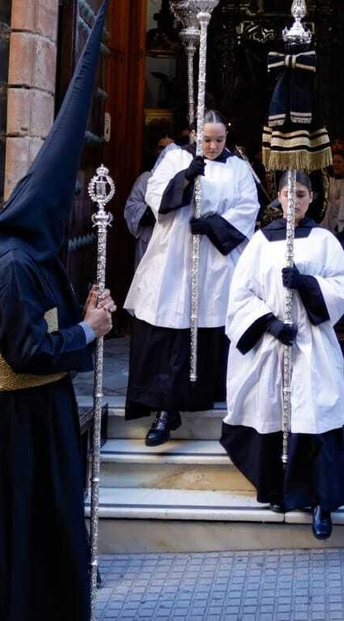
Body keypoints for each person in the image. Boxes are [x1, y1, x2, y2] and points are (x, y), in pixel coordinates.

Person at [0, 0, 114, 621]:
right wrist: (89, 332)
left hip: (36, 414)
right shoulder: (12, 266)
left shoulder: (30, 259)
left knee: (42, 530)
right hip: (14, 423)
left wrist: (81, 313)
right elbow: (28, 349)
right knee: (10, 536)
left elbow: (45, 325)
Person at [222, 172, 344, 540]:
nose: (293, 200)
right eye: (287, 193)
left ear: (311, 198)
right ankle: (280, 489)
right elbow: (240, 295)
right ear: (277, 197)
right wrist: (269, 324)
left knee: (315, 417)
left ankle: (321, 502)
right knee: (273, 415)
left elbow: (343, 288)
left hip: (310, 343)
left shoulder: (325, 240)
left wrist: (307, 285)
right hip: (271, 343)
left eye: (300, 194)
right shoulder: (260, 242)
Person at [124, 108, 259, 446]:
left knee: (212, 322)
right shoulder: (174, 158)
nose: (212, 146)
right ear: (195, 133)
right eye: (207, 139)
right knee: (169, 322)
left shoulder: (239, 168)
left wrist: (212, 223)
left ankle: (212, 395)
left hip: (216, 259)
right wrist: (185, 178)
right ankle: (165, 409)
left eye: (219, 140)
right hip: (173, 257)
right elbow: (155, 196)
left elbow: (247, 209)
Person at [124, 125, 178, 265]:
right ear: (155, 149)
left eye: (170, 147)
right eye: (162, 148)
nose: (167, 152)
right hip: (151, 239)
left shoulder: (184, 178)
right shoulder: (146, 178)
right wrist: (151, 211)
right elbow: (132, 207)